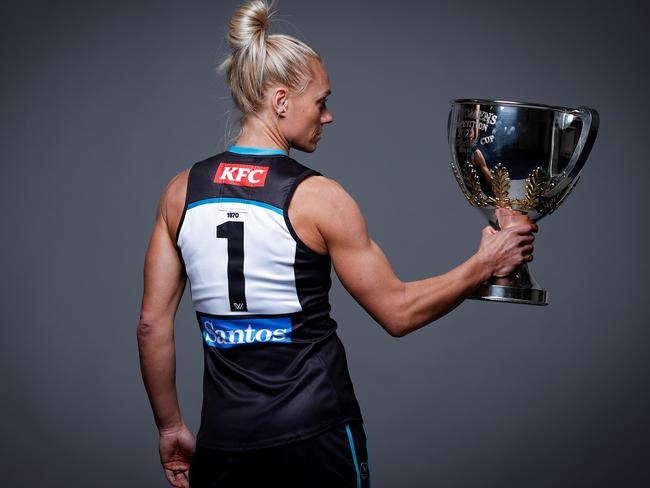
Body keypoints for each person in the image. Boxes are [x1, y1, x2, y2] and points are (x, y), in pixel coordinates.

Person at [136, 1, 537, 487]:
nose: (328, 116)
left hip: (225, 443)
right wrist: (484, 263)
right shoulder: (318, 198)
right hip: (316, 437)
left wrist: (171, 425)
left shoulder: (180, 192)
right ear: (281, 101)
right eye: (320, 101)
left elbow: (152, 325)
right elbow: (398, 312)